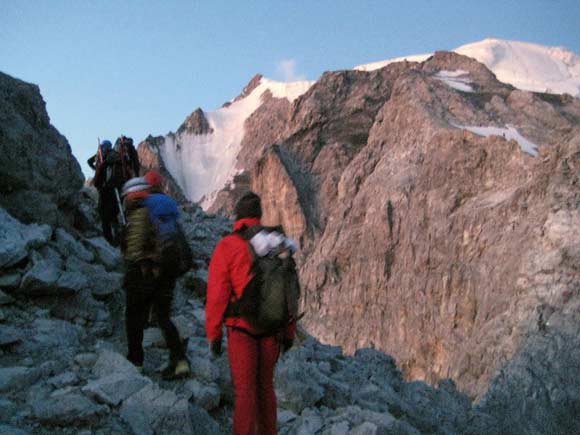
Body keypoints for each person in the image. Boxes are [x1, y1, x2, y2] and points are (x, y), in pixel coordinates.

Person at [205, 192, 297, 435]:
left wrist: (213, 334)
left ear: (238, 215)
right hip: (272, 330)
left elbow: (217, 294)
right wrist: (289, 333)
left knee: (245, 392)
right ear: (258, 215)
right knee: (266, 388)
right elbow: (288, 290)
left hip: (241, 330)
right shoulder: (275, 243)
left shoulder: (228, 245)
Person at [122, 170, 190, 380]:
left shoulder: (140, 212)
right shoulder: (165, 212)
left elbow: (134, 251)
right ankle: (179, 361)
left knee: (133, 317)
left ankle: (136, 361)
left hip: (145, 275)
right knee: (163, 317)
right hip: (167, 272)